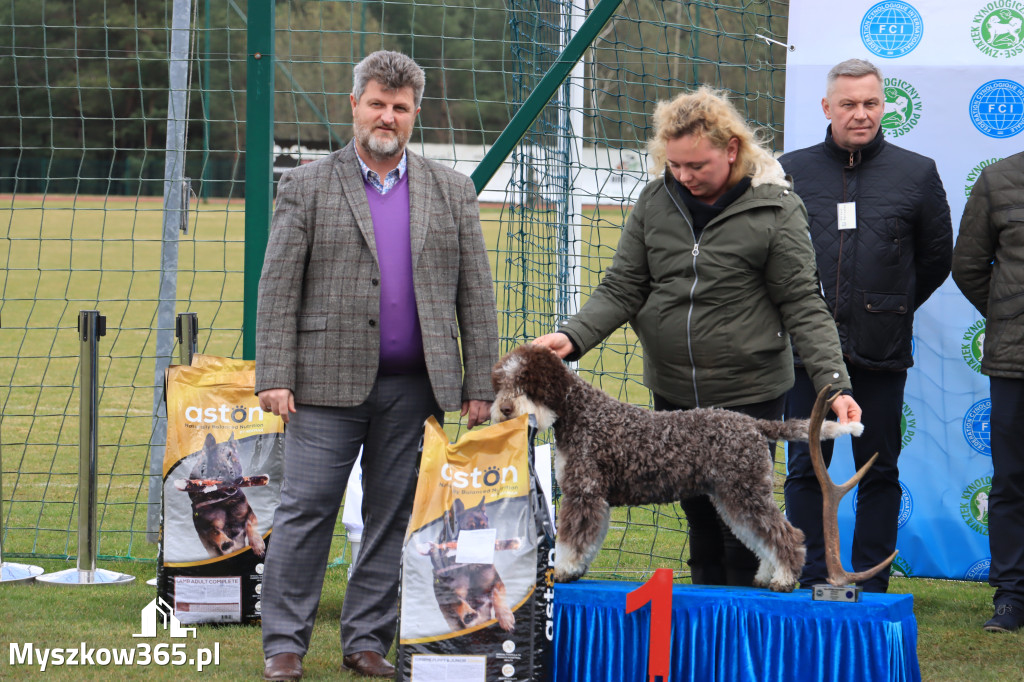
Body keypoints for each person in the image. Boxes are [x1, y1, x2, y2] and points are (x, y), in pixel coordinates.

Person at [533, 85, 860, 588]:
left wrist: (834, 385)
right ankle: (702, 624)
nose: (683, 176)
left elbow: (801, 302)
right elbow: (624, 285)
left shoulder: (776, 208)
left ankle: (744, 627)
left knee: (740, 513)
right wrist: (572, 336)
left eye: (696, 165)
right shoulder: (655, 200)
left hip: (748, 388)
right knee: (699, 518)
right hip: (675, 388)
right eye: (674, 164)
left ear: (731, 150)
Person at [255, 50, 499, 680]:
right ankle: (284, 644)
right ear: (354, 106)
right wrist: (275, 373)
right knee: (306, 510)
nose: (387, 116)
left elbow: (476, 294)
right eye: (377, 104)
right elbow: (278, 287)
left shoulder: (452, 189)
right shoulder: (306, 185)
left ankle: (367, 641)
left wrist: (479, 384)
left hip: (417, 387)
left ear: (414, 113)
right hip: (323, 385)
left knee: (391, 519)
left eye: (400, 106)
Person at [779, 58, 952, 593]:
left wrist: (888, 307)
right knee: (807, 468)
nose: (861, 114)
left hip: (882, 354)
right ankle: (810, 575)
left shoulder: (916, 172)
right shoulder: (791, 170)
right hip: (808, 358)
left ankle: (869, 583)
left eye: (871, 103)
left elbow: (936, 259)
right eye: (849, 104)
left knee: (880, 469)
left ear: (884, 105)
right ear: (827, 108)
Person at [952, 150, 1024, 633]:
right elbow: (969, 266)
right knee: (1012, 482)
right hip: (1015, 364)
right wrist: (1008, 319)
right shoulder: (998, 179)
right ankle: (1013, 597)